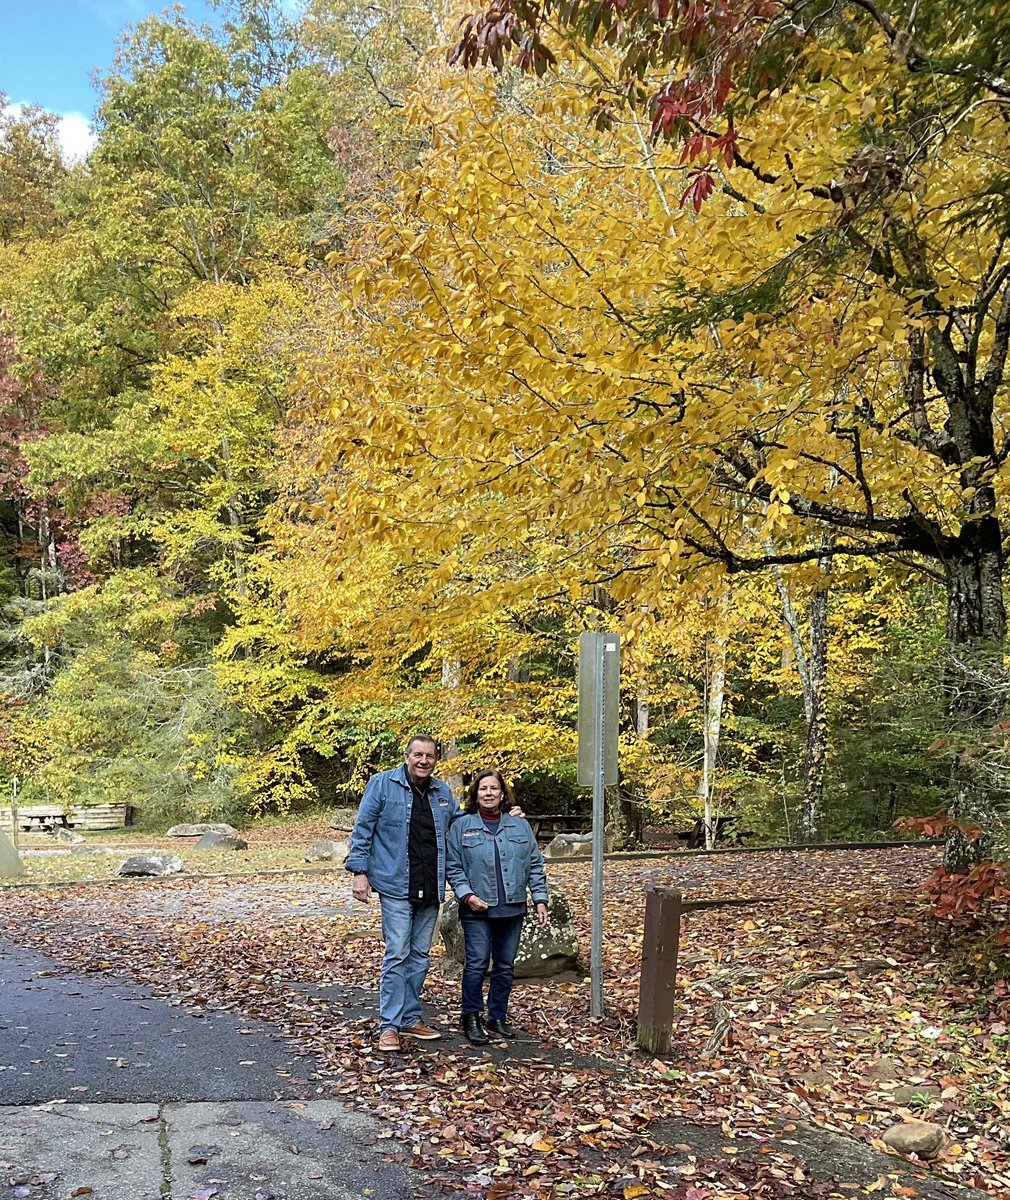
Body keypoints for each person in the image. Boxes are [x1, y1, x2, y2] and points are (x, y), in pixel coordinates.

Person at [346, 735, 460, 1053]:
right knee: (397, 953)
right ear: (407, 756)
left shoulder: (441, 792)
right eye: (418, 755)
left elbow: (461, 821)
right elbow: (364, 827)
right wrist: (359, 872)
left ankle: (410, 1018)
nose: (424, 760)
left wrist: (502, 814)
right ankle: (389, 1026)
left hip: (431, 885)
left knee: (420, 956)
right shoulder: (382, 784)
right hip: (396, 885)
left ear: (436, 760)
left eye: (430, 756)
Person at [445, 769, 549, 1044]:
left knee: (505, 966)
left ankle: (497, 1016)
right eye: (483, 789)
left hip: (512, 907)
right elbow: (453, 867)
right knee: (477, 964)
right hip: (477, 909)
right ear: (475, 794)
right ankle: (471, 1017)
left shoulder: (519, 825)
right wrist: (467, 896)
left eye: (494, 788)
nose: (488, 793)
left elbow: (535, 865)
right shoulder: (462, 826)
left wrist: (540, 898)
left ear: (502, 794)